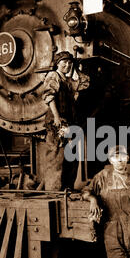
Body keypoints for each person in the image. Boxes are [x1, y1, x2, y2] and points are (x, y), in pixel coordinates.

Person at [42, 51, 89, 190]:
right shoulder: (53, 76)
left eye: (69, 63)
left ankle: (67, 188)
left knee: (71, 157)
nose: (67, 65)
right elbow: (49, 97)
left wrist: (76, 68)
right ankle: (54, 190)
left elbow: (84, 83)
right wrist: (56, 117)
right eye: (64, 62)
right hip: (58, 123)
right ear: (57, 63)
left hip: (70, 123)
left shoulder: (68, 81)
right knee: (56, 157)